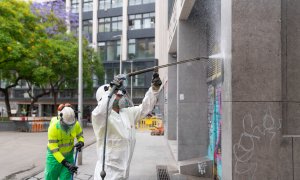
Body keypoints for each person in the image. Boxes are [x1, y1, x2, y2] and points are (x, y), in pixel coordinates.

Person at [92, 72, 162, 180]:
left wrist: (154, 90)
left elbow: (144, 108)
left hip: (123, 174)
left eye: (120, 95)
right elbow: (102, 110)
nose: (121, 98)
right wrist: (112, 90)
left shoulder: (127, 113)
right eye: (118, 96)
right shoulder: (100, 118)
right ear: (106, 98)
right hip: (107, 175)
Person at [45, 106, 85, 180]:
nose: (69, 127)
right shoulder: (53, 127)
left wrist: (81, 142)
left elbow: (80, 135)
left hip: (69, 156)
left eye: (70, 125)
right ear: (61, 119)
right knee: (51, 177)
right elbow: (54, 149)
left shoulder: (75, 124)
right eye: (66, 125)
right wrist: (66, 163)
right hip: (54, 158)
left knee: (66, 178)